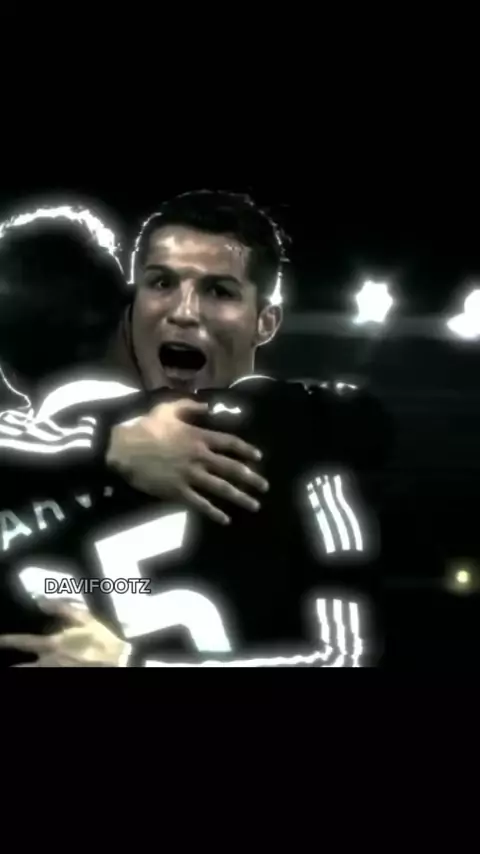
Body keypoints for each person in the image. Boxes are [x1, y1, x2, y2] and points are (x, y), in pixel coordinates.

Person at [0, 191, 392, 666]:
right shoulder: (296, 431)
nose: (184, 312)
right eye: (161, 283)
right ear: (126, 308)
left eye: (219, 291)